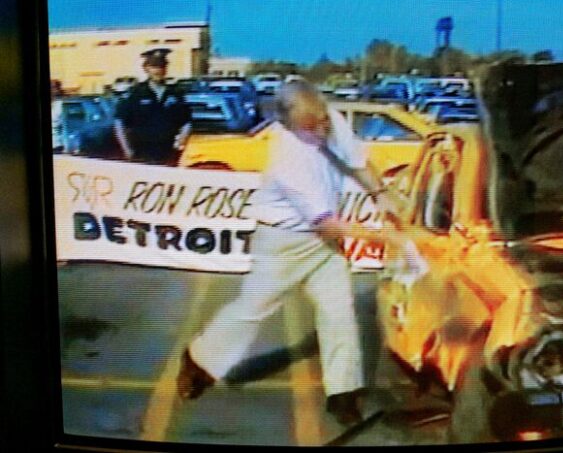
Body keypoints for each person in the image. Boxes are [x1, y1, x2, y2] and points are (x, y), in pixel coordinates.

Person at [176, 81, 416, 425]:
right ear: (289, 125)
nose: (321, 130)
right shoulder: (289, 159)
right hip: (283, 242)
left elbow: (357, 158)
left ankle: (343, 394)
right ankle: (199, 360)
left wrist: (380, 193)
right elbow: (328, 225)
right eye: (311, 127)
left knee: (340, 313)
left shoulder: (327, 118)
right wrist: (387, 237)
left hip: (324, 245)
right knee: (253, 309)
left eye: (322, 120)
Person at [113, 48, 191, 165]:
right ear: (146, 68)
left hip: (169, 153)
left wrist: (182, 141)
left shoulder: (175, 93)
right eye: (154, 66)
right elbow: (120, 123)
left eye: (162, 66)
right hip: (141, 154)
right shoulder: (135, 93)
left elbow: (186, 121)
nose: (158, 70)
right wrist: (127, 150)